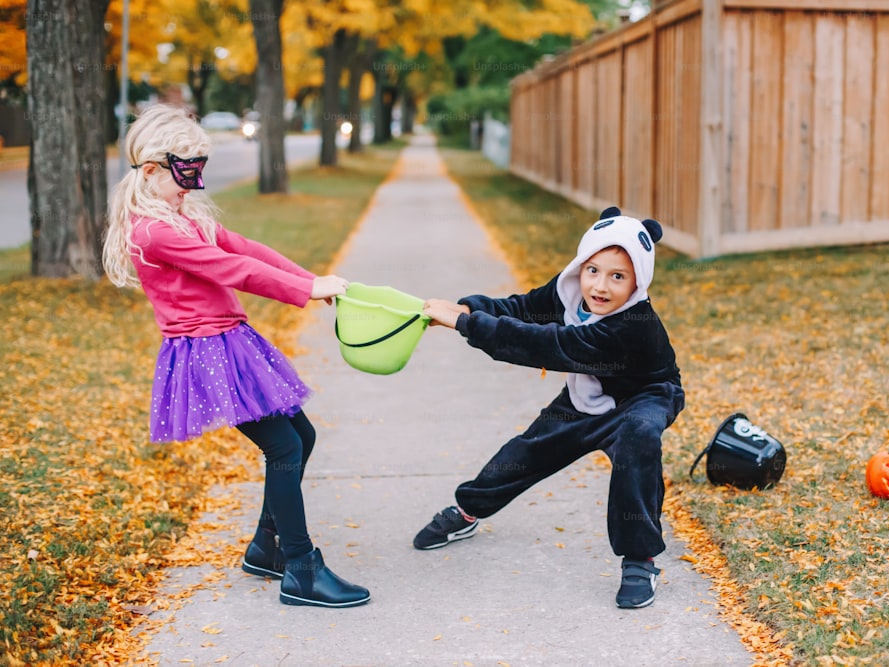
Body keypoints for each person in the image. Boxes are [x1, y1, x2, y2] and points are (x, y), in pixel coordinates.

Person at [102, 104, 369, 609]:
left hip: (230, 342)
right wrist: (307, 290)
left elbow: (246, 248)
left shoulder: (183, 217)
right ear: (153, 170)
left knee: (301, 437)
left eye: (199, 170)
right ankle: (300, 568)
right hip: (206, 354)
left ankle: (266, 548)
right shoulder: (153, 230)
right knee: (284, 448)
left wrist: (311, 279)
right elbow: (231, 270)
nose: (194, 185)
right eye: (187, 172)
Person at [416, 207, 685, 609]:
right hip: (587, 394)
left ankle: (640, 559)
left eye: (618, 277)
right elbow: (523, 309)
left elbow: (549, 345)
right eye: (593, 270)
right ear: (581, 263)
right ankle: (469, 509)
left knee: (638, 440)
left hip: (644, 396)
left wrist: (466, 326)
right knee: (527, 452)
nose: (600, 286)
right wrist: (470, 309)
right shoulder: (569, 289)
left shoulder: (633, 324)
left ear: (638, 281)